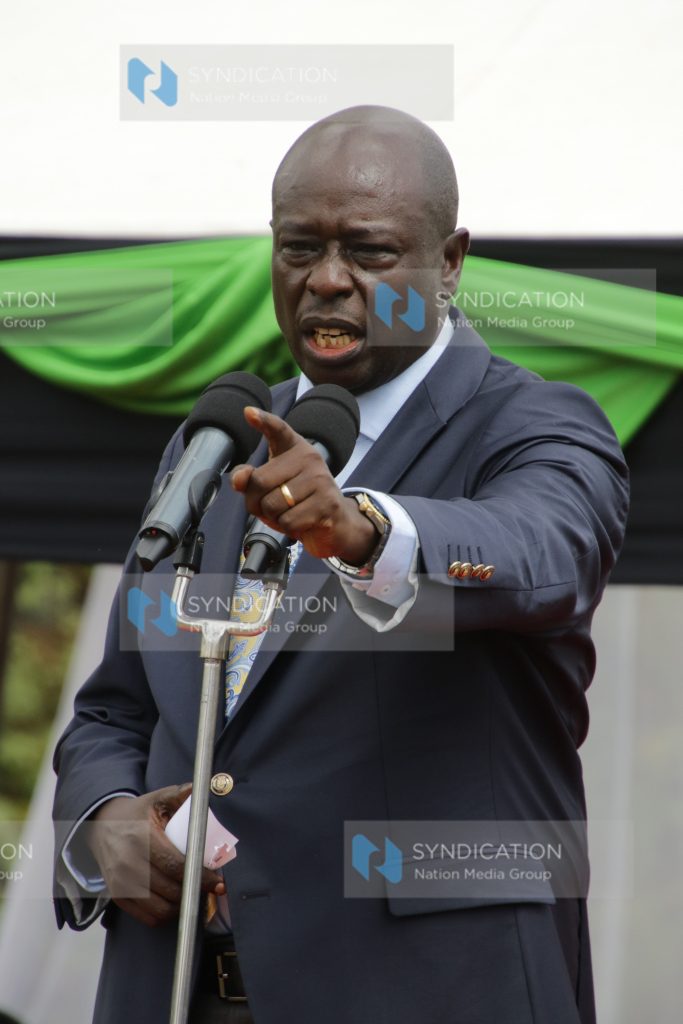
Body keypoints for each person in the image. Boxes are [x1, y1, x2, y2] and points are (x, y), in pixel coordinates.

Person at [52, 106, 629, 1024]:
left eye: (368, 252)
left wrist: (363, 531)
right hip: (177, 989)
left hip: (428, 990)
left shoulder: (533, 424)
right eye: (298, 248)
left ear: (448, 264)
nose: (327, 280)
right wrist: (106, 823)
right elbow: (116, 707)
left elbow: (541, 557)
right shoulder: (216, 440)